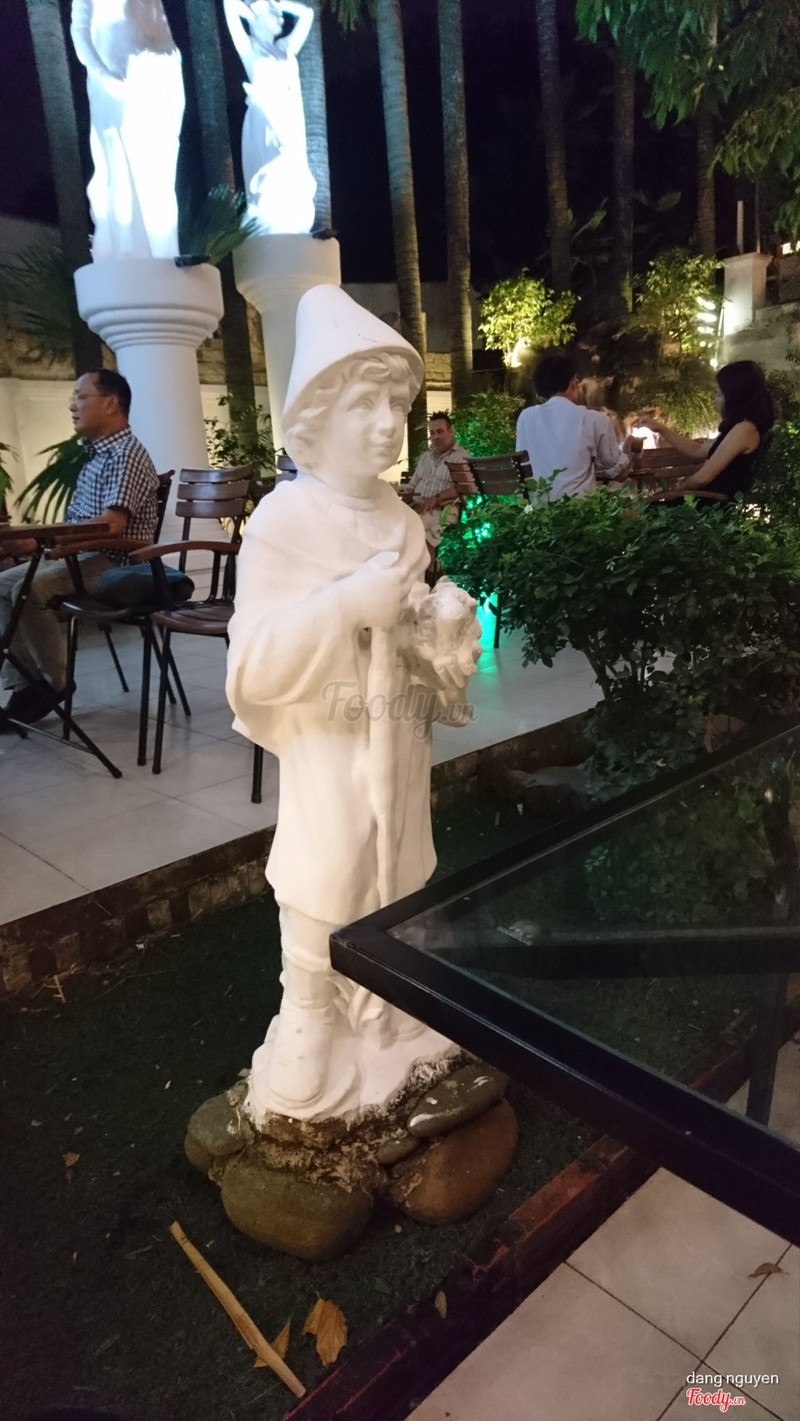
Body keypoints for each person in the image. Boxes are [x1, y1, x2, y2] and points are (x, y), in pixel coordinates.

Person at [226, 285, 482, 1122]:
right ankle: (310, 1006)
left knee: (400, 857)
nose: (386, 424)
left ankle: (394, 1006)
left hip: (396, 737)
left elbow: (408, 628)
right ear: (315, 415)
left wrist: (438, 628)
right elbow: (252, 664)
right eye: (363, 405)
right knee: (329, 861)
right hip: (330, 737)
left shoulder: (401, 522)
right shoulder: (283, 521)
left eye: (397, 406)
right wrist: (344, 607)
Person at [0, 370, 158, 727]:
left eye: (81, 397)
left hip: (114, 561)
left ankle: (55, 684)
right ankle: (26, 685)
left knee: (30, 589)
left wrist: (49, 538)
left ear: (111, 403)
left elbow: (110, 526)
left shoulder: (126, 453)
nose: (72, 405)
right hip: (80, 555)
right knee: (2, 585)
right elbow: (80, 524)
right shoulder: (96, 456)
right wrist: (33, 540)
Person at [70, 0, 184, 260]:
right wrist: (103, 75)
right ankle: (126, 252)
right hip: (116, 82)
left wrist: (167, 61)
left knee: (159, 171)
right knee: (119, 169)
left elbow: (160, 28)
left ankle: (163, 253)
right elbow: (80, 33)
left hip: (155, 80)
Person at [223, 0, 316, 234]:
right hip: (265, 120)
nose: (281, 15)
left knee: (294, 175)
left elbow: (307, 13)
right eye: (274, 11)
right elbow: (229, 4)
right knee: (273, 170)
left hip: (289, 119)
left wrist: (278, 3)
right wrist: (254, 10)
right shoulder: (250, 47)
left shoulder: (285, 47)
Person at [637, 360, 775, 502]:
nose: (715, 400)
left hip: (710, 506)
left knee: (637, 510)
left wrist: (671, 496)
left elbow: (702, 479)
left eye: (719, 395)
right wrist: (660, 428)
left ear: (735, 397)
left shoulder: (744, 430)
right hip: (704, 500)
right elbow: (698, 450)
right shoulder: (741, 427)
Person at [516, 352, 630, 499]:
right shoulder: (593, 419)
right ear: (573, 383)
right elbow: (620, 471)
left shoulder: (526, 418)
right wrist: (630, 448)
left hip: (537, 508)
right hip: (579, 510)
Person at [400, 412, 470, 565]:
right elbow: (412, 485)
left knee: (418, 524)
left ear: (450, 431)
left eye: (440, 431)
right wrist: (403, 493)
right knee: (390, 520)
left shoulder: (462, 456)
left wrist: (435, 499)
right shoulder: (425, 457)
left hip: (445, 508)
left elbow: (462, 488)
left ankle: (429, 571)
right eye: (432, 433)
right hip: (418, 505)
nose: (436, 437)